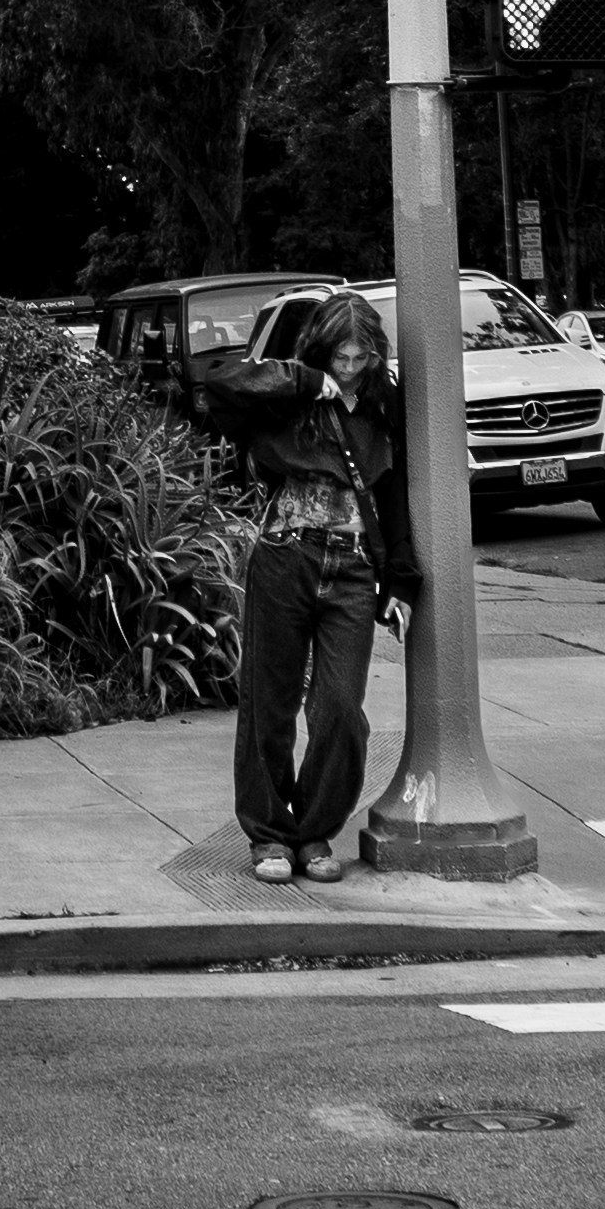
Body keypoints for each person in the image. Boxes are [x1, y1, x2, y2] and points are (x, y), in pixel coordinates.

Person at [193, 287, 419, 884]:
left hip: (353, 569)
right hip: (284, 557)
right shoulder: (291, 394)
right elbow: (219, 385)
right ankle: (269, 834)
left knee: (340, 709)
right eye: (340, 357)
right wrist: (303, 380)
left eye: (361, 358)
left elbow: (394, 492)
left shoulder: (381, 403)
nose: (350, 368)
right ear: (322, 351)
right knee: (269, 704)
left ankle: (314, 830)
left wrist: (401, 579)